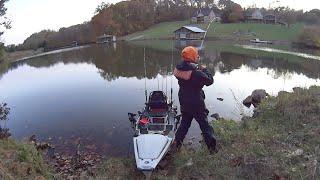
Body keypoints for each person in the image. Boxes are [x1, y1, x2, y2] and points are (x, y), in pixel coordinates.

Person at [173, 46, 217, 153]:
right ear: (193, 57)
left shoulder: (179, 69)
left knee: (184, 124)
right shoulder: (197, 73)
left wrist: (196, 67)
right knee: (204, 125)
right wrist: (205, 69)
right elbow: (210, 81)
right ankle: (212, 149)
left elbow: (188, 71)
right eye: (196, 55)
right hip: (196, 102)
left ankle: (176, 145)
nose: (198, 56)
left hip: (184, 100)